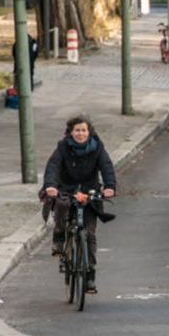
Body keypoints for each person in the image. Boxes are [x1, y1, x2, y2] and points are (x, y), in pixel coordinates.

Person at [40, 116, 116, 294]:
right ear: (70, 132)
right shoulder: (63, 147)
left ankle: (90, 276)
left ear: (89, 132)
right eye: (77, 130)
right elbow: (52, 166)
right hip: (67, 189)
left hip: (90, 193)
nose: (80, 134)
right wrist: (50, 186)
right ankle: (59, 238)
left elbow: (106, 166)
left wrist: (110, 187)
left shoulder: (97, 148)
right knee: (62, 205)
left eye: (83, 130)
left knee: (89, 235)